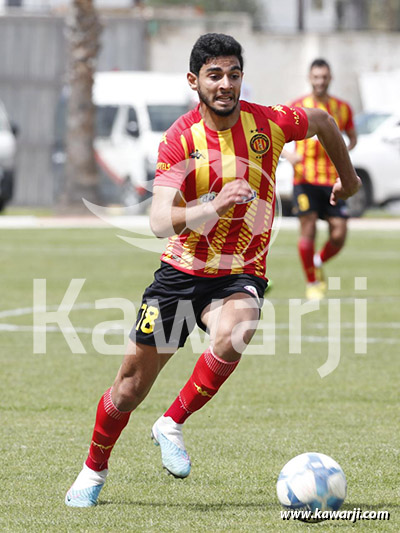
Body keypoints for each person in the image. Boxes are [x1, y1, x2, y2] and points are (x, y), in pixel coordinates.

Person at [65, 34, 361, 507]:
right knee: (128, 388)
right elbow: (160, 220)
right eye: (215, 75)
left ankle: (172, 422)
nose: (226, 84)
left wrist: (348, 180)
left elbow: (324, 122)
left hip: (239, 272)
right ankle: (93, 470)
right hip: (180, 273)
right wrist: (211, 205)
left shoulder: (269, 122)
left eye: (233, 74)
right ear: (194, 81)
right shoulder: (179, 139)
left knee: (237, 327)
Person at [284, 58, 358, 301]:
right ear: (309, 78)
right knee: (309, 227)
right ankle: (312, 282)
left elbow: (352, 137)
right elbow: (276, 135)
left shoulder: (343, 108)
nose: (320, 82)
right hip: (304, 178)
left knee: (339, 233)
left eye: (324, 77)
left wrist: (342, 151)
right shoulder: (297, 106)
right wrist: (289, 154)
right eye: (316, 77)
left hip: (332, 180)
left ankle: (316, 261)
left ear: (330, 78)